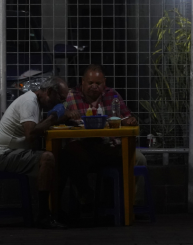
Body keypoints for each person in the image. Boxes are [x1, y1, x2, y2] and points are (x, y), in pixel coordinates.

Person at [0, 76, 80, 229]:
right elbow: (31, 134)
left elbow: (38, 130)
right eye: (60, 99)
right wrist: (53, 117)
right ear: (49, 92)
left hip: (14, 152)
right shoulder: (29, 102)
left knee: (62, 157)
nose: (61, 103)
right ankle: (43, 216)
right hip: (2, 155)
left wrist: (62, 118)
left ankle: (55, 210)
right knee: (48, 158)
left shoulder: (36, 103)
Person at [63, 64, 147, 213]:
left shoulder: (112, 96)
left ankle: (133, 206)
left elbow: (126, 117)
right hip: (84, 149)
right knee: (67, 157)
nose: (94, 86)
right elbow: (59, 119)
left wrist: (128, 121)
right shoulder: (71, 97)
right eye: (90, 83)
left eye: (98, 83)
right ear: (82, 82)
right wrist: (66, 116)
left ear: (104, 83)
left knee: (139, 159)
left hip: (110, 146)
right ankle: (85, 199)